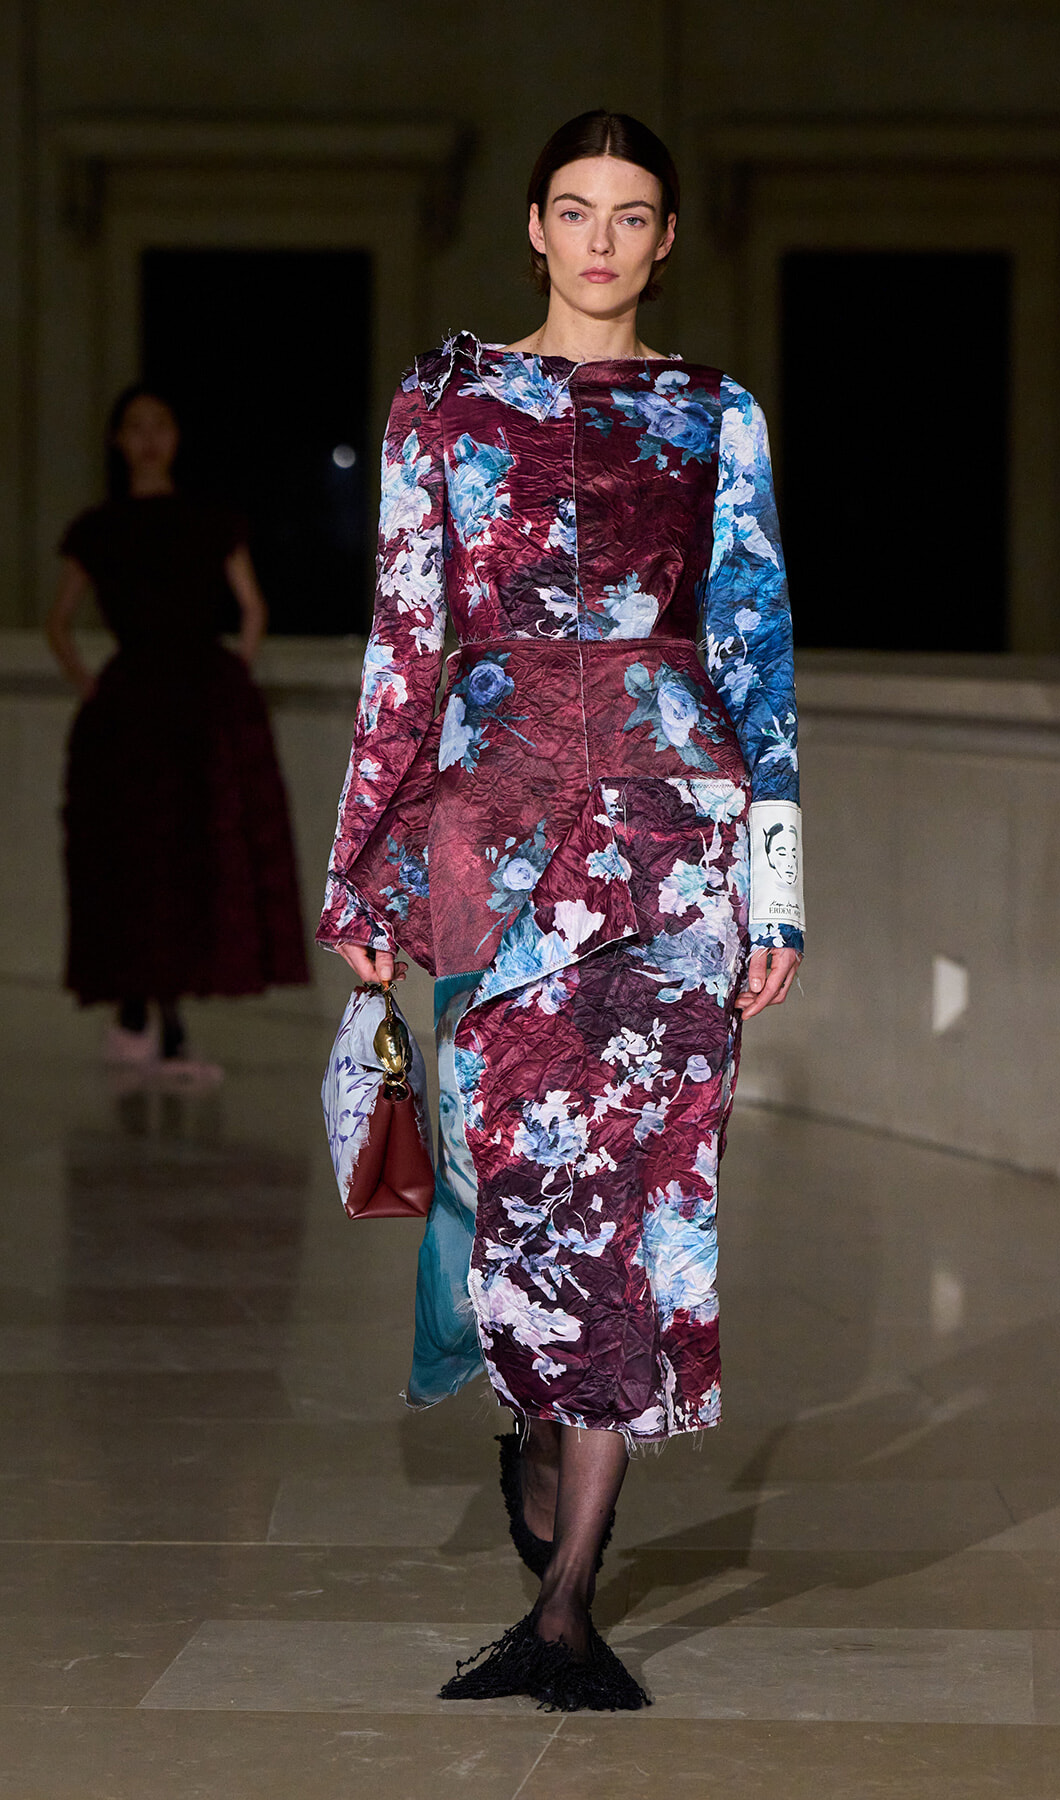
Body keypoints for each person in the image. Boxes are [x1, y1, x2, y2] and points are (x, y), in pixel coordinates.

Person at [320, 109, 804, 1711]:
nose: (605, 238)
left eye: (636, 214)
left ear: (668, 237)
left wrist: (778, 900)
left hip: (679, 844)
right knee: (514, 1184)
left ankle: (570, 1610)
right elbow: (403, 643)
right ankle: (531, 1421)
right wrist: (363, 867)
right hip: (500, 841)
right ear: (534, 225)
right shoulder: (444, 404)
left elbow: (756, 651)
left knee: (646, 1201)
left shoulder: (716, 414)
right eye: (578, 210)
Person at [47, 385, 309, 1081]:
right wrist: (93, 684)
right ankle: (143, 1014)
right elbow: (58, 622)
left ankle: (163, 1020)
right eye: (134, 427)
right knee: (133, 855)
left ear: (177, 436)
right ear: (116, 440)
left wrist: (228, 681)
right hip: (132, 709)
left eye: (159, 425)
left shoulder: (209, 522)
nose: (148, 439)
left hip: (196, 703)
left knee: (196, 854)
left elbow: (252, 609)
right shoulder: (100, 528)